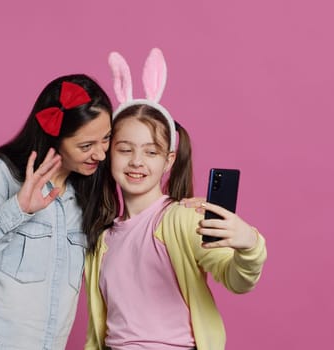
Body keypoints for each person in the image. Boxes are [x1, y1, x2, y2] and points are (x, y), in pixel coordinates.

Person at [84, 49, 267, 350]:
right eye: (125, 149)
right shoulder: (101, 238)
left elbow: (237, 280)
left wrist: (249, 246)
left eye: (151, 152)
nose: (137, 162)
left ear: (168, 161)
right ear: (108, 154)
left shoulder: (182, 218)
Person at [0, 74, 115, 350]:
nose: (100, 154)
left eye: (107, 139)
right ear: (55, 138)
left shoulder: (85, 200)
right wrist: (16, 210)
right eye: (86, 146)